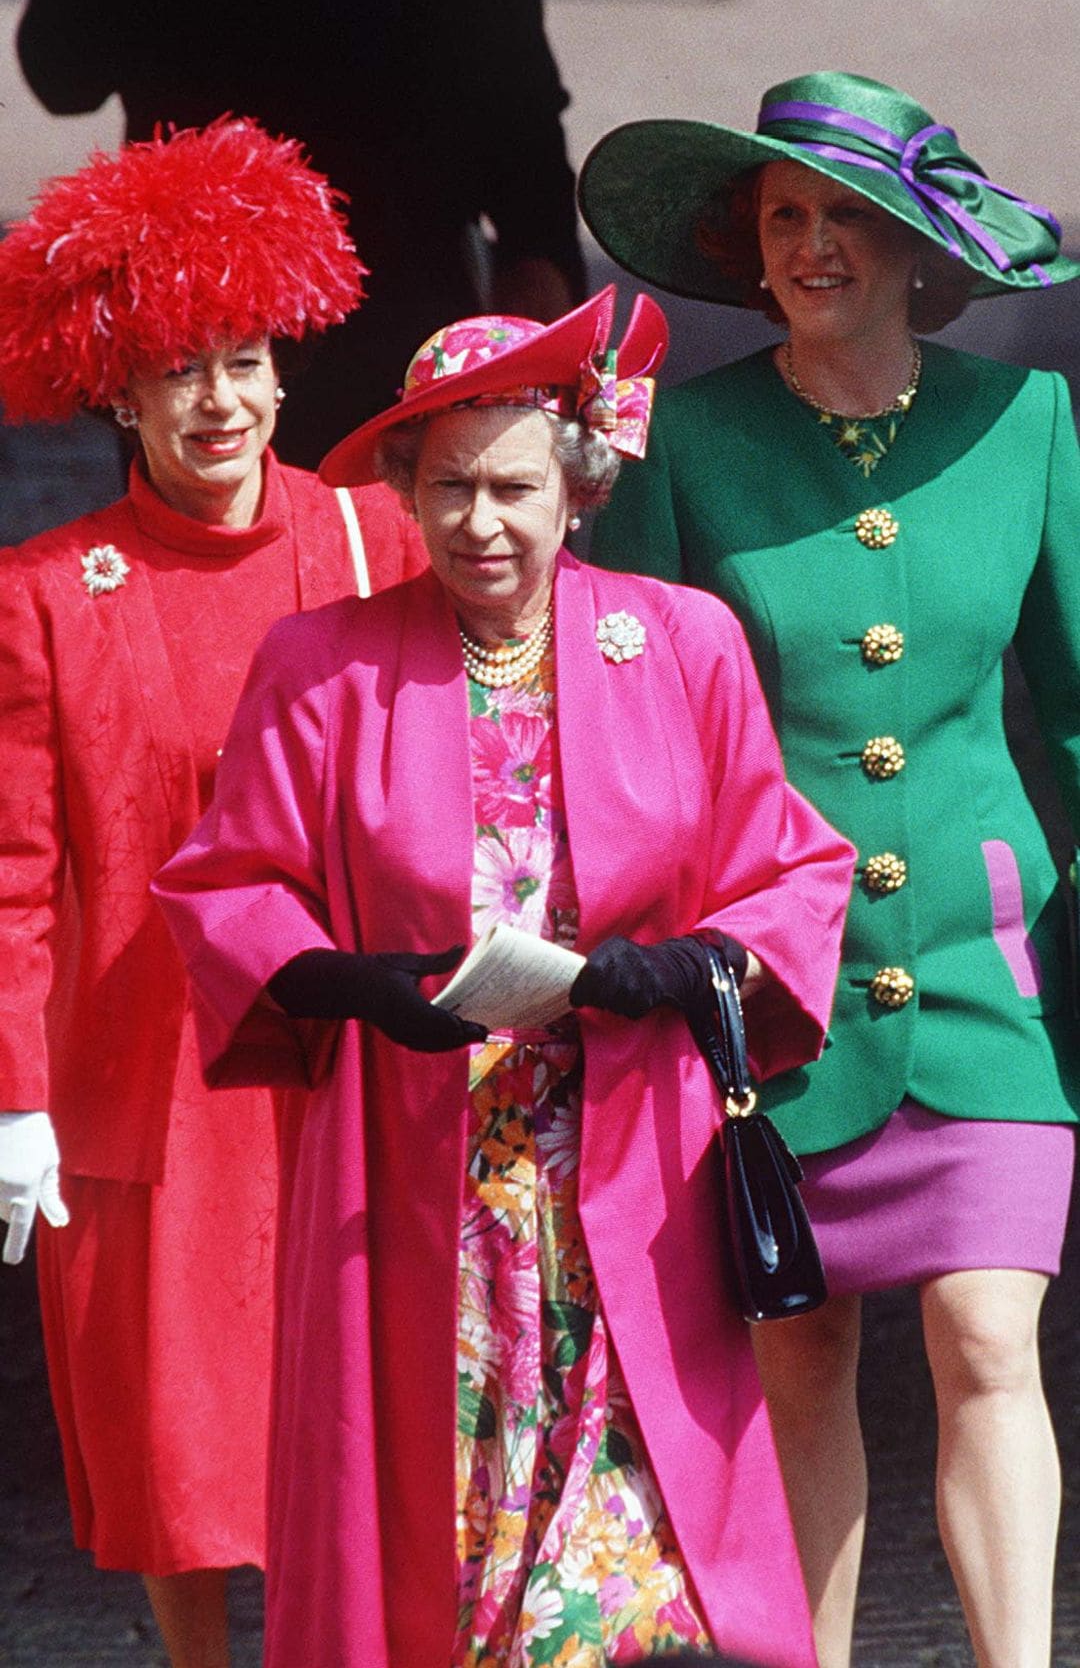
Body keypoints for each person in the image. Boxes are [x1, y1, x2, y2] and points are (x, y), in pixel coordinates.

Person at [153, 285, 856, 1668]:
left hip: (632, 1176)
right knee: (434, 1545)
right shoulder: (320, 665)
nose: (484, 522)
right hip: (411, 1175)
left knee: (619, 1581)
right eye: (452, 488)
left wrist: (683, 965)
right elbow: (226, 886)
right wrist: (348, 982)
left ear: (580, 485)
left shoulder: (681, 640)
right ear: (407, 494)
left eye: (518, 488)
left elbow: (790, 871)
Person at [579, 71, 1080, 1667]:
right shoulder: (686, 443)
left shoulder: (1030, 424)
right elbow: (627, 717)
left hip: (981, 981)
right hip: (773, 996)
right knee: (800, 1365)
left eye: (846, 217)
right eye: (784, 218)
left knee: (993, 1337)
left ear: (920, 244)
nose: (811, 245)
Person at [0, 117, 427, 1668]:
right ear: (117, 391)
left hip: (355, 1063)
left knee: (372, 1435)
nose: (219, 402)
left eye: (242, 359)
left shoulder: (376, 538)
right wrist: (15, 1095)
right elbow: (14, 880)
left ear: (284, 365)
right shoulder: (42, 592)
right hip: (153, 1085)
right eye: (178, 370)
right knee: (176, 1456)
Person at [16, 0, 586, 465]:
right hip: (219, 308)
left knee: (434, 533)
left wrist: (539, 249)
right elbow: (62, 74)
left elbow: (513, 65)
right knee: (221, 544)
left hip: (418, 285)